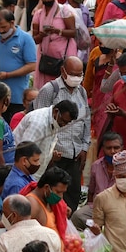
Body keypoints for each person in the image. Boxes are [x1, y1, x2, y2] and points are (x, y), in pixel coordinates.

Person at [34, 56, 90, 210]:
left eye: (80, 74)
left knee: (72, 196)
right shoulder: (50, 90)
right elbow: (40, 120)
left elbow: (86, 120)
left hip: (75, 155)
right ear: (63, 71)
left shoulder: (82, 92)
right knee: (53, 198)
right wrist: (48, 152)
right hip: (55, 156)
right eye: (73, 74)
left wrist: (85, 147)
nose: (77, 78)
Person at [0, 10, 38, 121]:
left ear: (12, 23)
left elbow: (32, 65)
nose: (1, 31)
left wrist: (8, 75)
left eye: (4, 27)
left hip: (16, 96)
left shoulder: (25, 38)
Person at [13, 100, 79, 180]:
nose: (64, 125)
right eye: (63, 121)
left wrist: (50, 155)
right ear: (56, 111)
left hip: (35, 175)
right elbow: (25, 153)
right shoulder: (38, 123)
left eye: (67, 123)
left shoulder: (55, 121)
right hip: (23, 175)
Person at [70, 132, 121, 229]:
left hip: (118, 209)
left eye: (116, 148)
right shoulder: (96, 166)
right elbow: (91, 192)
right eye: (108, 148)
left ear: (121, 148)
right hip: (97, 208)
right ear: (103, 148)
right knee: (77, 216)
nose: (112, 151)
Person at [31, 0, 77, 90]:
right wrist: (42, 35)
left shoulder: (65, 11)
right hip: (46, 58)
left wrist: (57, 31)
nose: (47, 1)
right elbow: (35, 39)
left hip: (63, 56)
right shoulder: (38, 14)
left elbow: (73, 32)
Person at [24, 167, 71, 237]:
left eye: (62, 193)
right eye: (58, 192)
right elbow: (22, 233)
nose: (61, 197)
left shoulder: (49, 200)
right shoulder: (32, 204)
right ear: (46, 187)